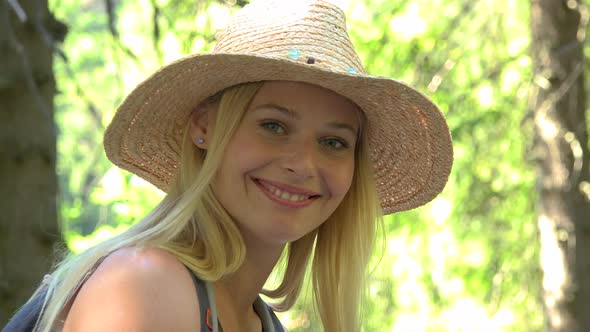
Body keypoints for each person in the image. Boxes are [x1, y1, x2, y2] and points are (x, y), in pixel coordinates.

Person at [4, 0, 453, 331]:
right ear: (204, 127)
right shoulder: (144, 285)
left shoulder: (259, 321)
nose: (303, 163)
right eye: (274, 126)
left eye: (334, 141)